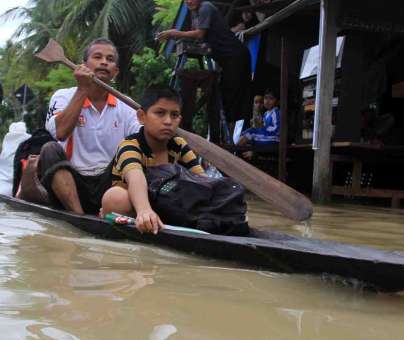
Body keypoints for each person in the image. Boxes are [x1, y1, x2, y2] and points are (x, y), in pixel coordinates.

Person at [20, 38, 140, 215]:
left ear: (115, 71)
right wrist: (82, 89)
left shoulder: (127, 106)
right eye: (97, 57)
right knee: (49, 149)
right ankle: (78, 215)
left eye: (110, 59)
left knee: (134, 151)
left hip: (110, 183)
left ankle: (116, 211)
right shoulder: (62, 96)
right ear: (83, 65)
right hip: (71, 182)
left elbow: (143, 139)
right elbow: (60, 133)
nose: (104, 62)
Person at [101, 86, 205, 234]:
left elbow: (201, 180)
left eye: (174, 115)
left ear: (179, 119)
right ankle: (144, 221)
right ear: (141, 116)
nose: (168, 121)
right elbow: (135, 176)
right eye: (160, 113)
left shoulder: (179, 145)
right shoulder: (130, 146)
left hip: (164, 204)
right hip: (133, 207)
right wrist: (144, 210)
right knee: (115, 197)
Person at [157, 0, 252, 133]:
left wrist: (174, 33)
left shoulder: (205, 8)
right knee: (225, 98)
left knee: (234, 100)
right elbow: (197, 35)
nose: (189, 2)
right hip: (226, 60)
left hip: (236, 56)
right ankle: (225, 137)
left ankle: (234, 139)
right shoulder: (195, 13)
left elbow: (199, 34)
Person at [237, 90, 279, 160]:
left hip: (273, 138)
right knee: (248, 132)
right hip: (266, 136)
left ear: (276, 101)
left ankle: (234, 151)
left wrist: (262, 127)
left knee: (251, 132)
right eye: (266, 98)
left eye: (271, 98)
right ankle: (238, 151)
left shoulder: (276, 112)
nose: (267, 101)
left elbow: (277, 129)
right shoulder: (266, 114)